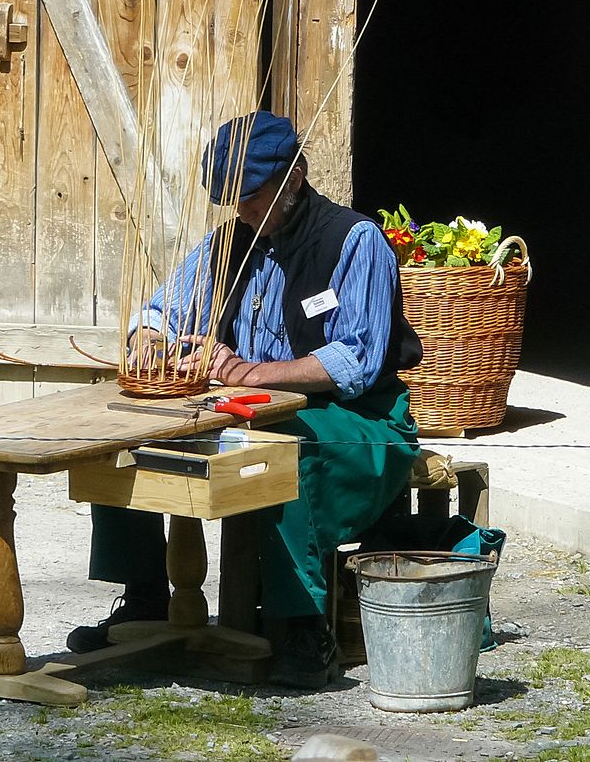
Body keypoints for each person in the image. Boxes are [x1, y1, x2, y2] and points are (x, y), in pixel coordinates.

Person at [67, 110, 423, 689]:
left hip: (358, 420)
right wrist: (150, 341)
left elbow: (355, 361)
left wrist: (250, 370)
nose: (244, 212)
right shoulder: (229, 243)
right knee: (129, 434)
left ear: (296, 175)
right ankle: (147, 597)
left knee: (284, 454)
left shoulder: (354, 240)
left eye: (253, 197)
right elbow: (160, 310)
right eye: (236, 199)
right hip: (250, 410)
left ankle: (302, 624)